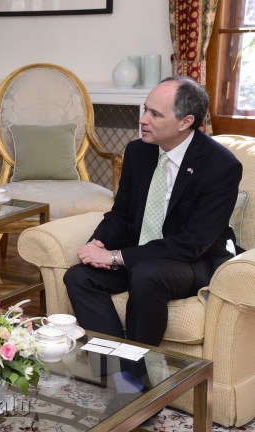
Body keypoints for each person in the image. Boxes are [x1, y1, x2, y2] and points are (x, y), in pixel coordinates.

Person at [64, 76, 243, 347]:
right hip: (141, 253)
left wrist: (115, 257)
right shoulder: (138, 152)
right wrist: (98, 243)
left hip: (194, 261)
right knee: (79, 276)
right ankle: (113, 367)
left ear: (186, 122)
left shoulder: (220, 166)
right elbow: (121, 214)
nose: (143, 119)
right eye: (145, 109)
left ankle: (133, 383)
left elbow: (191, 244)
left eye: (155, 114)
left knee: (147, 274)